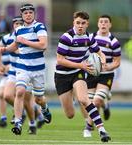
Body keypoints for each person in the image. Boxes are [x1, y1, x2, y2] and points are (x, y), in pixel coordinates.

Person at [54, 11, 111, 142]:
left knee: (84, 99)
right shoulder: (66, 37)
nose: (80, 26)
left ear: (87, 24)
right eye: (77, 23)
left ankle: (102, 130)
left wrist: (102, 60)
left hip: (77, 73)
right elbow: (60, 60)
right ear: (73, 23)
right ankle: (73, 94)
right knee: (70, 114)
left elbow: (99, 52)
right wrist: (81, 65)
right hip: (62, 76)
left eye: (83, 23)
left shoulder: (89, 38)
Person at [0, 3, 52, 135]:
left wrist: (26, 41)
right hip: (22, 66)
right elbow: (15, 46)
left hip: (38, 68)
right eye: (25, 13)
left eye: (30, 13)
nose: (28, 15)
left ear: (34, 14)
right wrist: (5, 49)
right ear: (22, 15)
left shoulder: (39, 26)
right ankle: (18, 122)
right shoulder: (18, 30)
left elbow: (43, 45)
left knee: (39, 99)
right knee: (20, 92)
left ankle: (44, 108)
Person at [83, 14, 121, 138]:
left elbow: (117, 62)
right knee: (87, 102)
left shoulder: (114, 42)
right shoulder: (91, 38)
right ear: (98, 24)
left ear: (110, 25)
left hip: (106, 75)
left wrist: (108, 66)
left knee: (96, 100)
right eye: (101, 22)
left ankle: (88, 128)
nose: (103, 24)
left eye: (106, 22)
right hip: (92, 74)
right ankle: (105, 104)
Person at [0, 16, 23, 128]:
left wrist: (14, 49)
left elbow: (23, 53)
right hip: (11, 74)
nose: (18, 26)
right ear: (13, 25)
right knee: (3, 95)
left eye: (20, 24)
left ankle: (28, 115)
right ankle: (4, 118)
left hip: (24, 72)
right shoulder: (7, 38)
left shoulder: (27, 38)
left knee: (29, 99)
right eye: (16, 24)